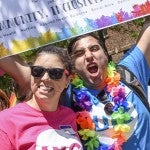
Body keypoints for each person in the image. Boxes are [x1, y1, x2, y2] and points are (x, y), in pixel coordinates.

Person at [0, 17, 150, 150]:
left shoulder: (129, 72)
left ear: (105, 54)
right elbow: (30, 73)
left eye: (94, 48)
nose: (89, 55)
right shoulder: (62, 88)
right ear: (72, 67)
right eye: (79, 53)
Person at [0, 46, 82, 150]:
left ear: (67, 81)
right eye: (38, 71)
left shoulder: (69, 115)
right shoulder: (5, 120)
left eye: (55, 73)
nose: (45, 78)